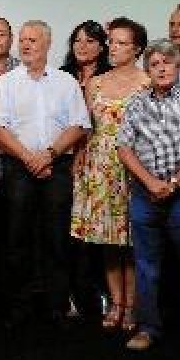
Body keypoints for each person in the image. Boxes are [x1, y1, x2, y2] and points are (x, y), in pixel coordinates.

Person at [116, 39, 180, 357]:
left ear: (178, 66)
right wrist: (150, 183)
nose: (161, 68)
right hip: (145, 196)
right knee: (146, 267)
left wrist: (173, 184)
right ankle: (148, 328)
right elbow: (123, 147)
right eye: (154, 64)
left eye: (167, 62)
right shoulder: (136, 103)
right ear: (147, 70)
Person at [0, 20, 89, 329]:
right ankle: (18, 308)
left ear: (47, 44)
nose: (26, 45)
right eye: (22, 40)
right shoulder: (6, 82)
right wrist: (29, 157)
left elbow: (79, 125)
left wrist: (49, 155)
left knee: (57, 238)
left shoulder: (65, 82)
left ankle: (56, 306)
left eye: (33, 40)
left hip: (56, 166)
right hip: (18, 167)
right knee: (16, 239)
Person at [70, 17, 149, 333]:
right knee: (107, 239)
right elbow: (85, 128)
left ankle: (133, 305)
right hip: (99, 165)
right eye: (111, 42)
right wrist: (79, 159)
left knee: (133, 239)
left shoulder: (147, 82)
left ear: (137, 48)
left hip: (134, 167)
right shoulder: (95, 83)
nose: (113, 48)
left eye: (121, 43)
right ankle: (116, 302)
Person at [60, 20, 112, 318]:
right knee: (69, 232)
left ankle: (100, 294)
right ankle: (70, 294)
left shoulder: (110, 78)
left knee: (100, 233)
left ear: (103, 46)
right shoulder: (61, 76)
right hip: (66, 161)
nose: (82, 46)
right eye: (77, 40)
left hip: (101, 162)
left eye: (90, 40)